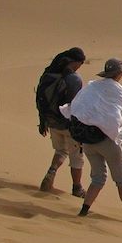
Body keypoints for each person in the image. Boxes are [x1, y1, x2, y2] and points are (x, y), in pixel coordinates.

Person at [61, 58, 122, 223]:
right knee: (121, 179)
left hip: (88, 141)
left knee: (97, 178)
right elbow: (117, 121)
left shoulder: (92, 86)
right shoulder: (118, 90)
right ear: (120, 74)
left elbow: (75, 107)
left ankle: (84, 211)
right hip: (106, 142)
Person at [36, 47, 88, 196]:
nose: (80, 66)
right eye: (80, 63)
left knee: (60, 150)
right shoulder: (74, 79)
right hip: (68, 124)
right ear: (74, 62)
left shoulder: (48, 74)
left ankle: (51, 171)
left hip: (51, 121)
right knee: (77, 158)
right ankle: (77, 188)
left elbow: (40, 98)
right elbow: (76, 105)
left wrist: (43, 121)